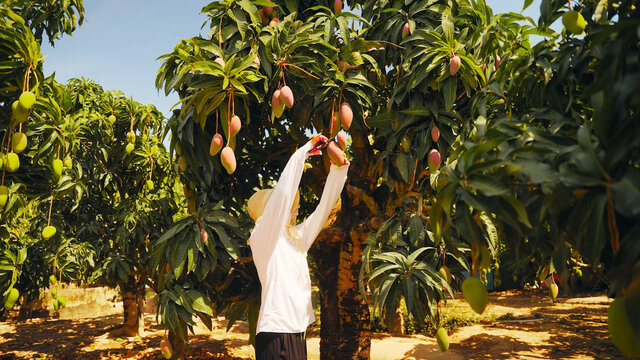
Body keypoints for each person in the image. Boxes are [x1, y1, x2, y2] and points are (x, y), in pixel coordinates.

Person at [248, 134, 349, 360]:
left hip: (296, 332)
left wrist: (338, 171)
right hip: (274, 332)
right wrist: (304, 151)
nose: (291, 209)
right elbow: (283, 195)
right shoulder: (262, 236)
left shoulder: (295, 238)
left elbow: (323, 209)